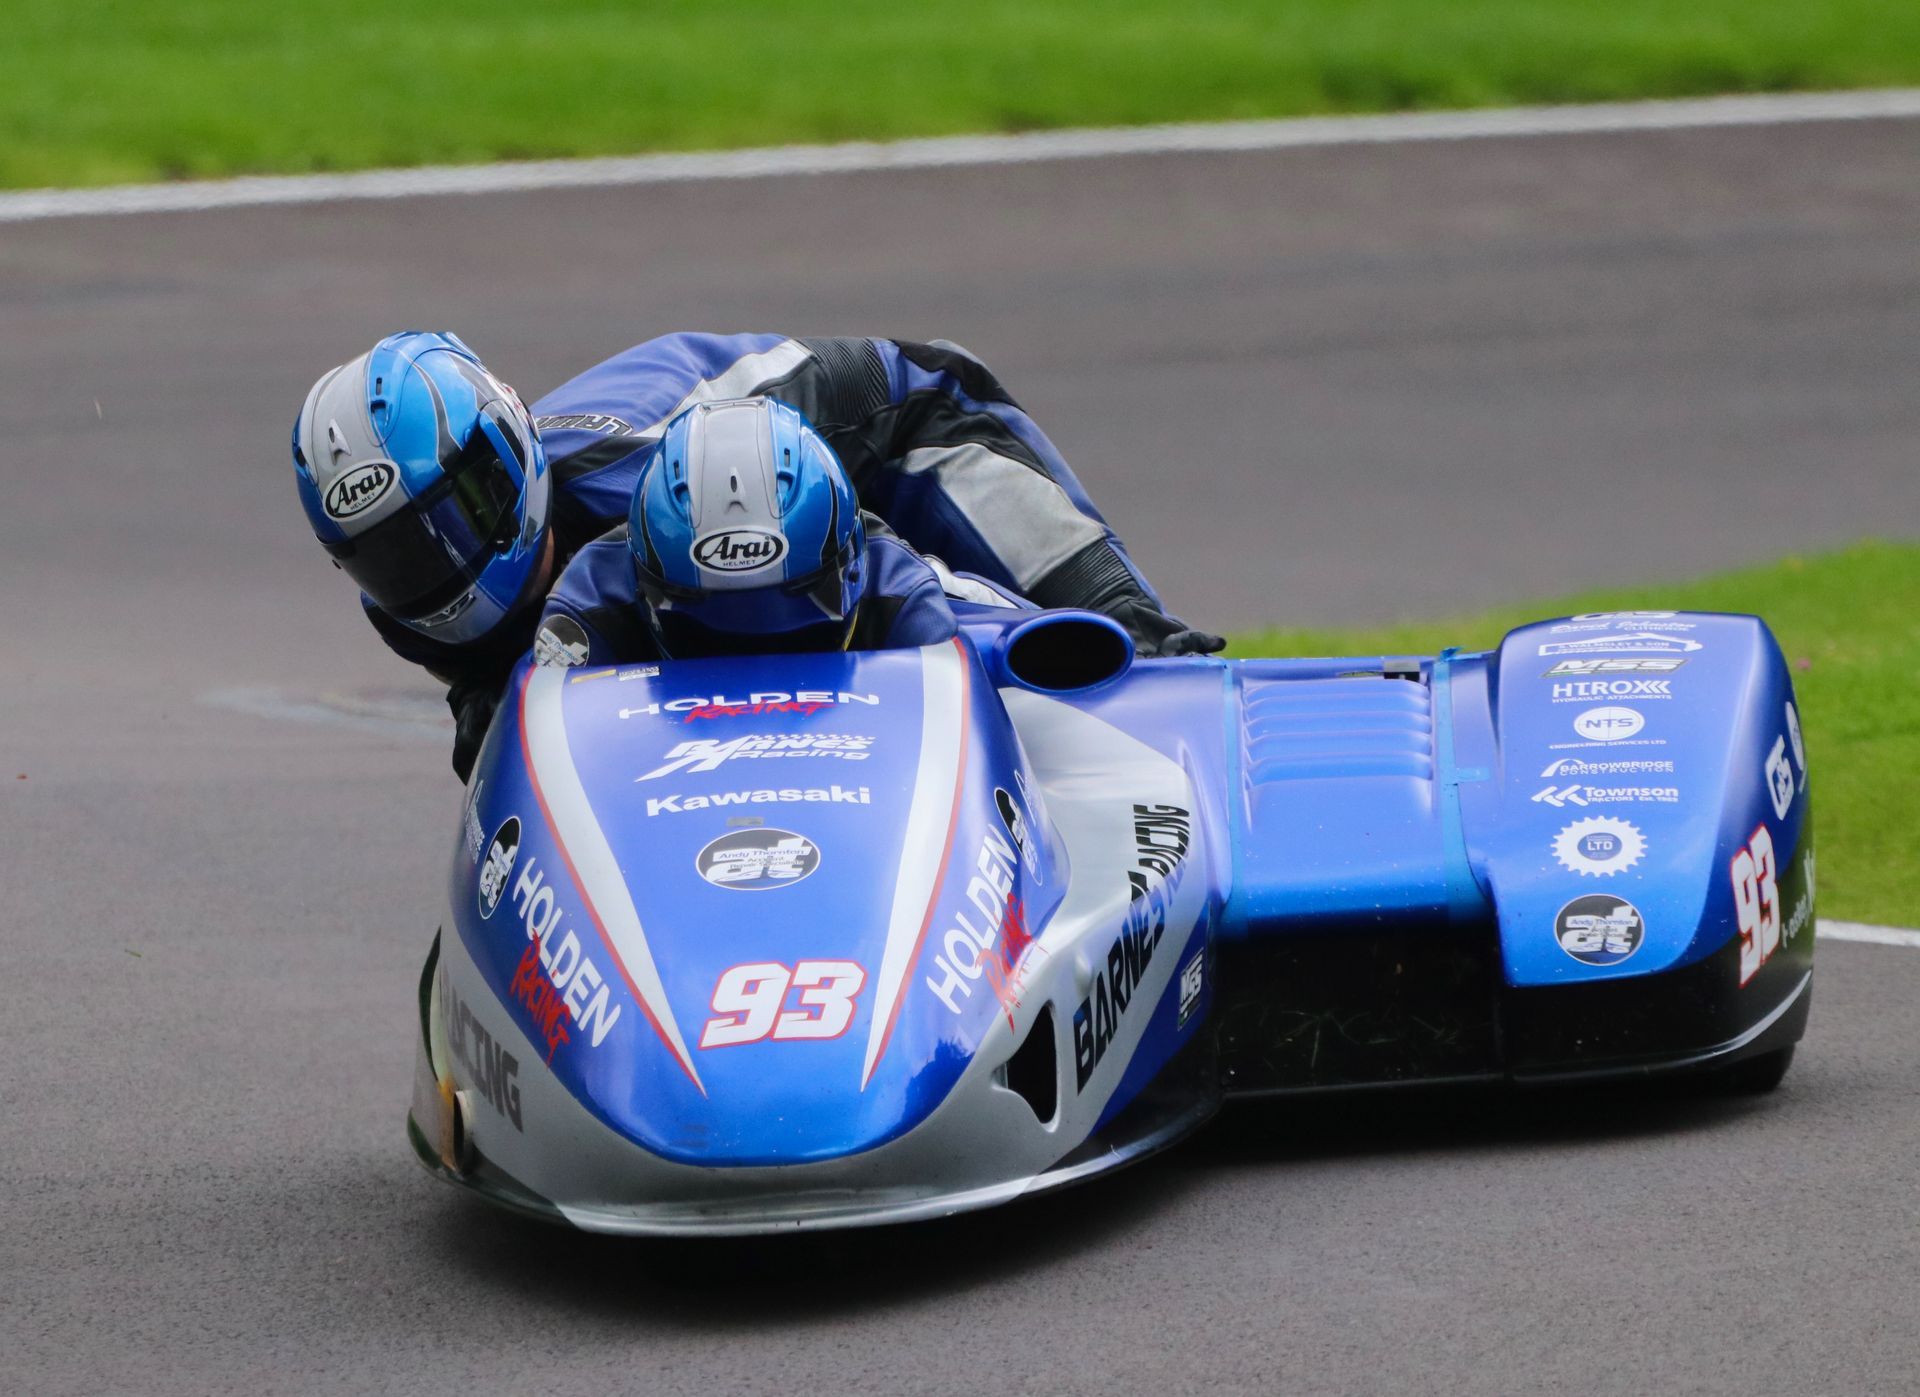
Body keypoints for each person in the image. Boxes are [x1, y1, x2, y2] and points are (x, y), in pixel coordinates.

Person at [292, 330, 1221, 776]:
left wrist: (1089, 618)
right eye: (390, 555)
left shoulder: (657, 467)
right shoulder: (412, 621)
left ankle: (1154, 672)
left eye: (456, 512)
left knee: (1075, 660)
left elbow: (911, 391)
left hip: (864, 458)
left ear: (507, 449)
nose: (438, 567)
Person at [536, 396, 1014, 669]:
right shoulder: (589, 610)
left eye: (787, 609)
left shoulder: (900, 589)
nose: (757, 662)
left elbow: (1031, 633)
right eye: (713, 626)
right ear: (643, 586)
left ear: (850, 568)